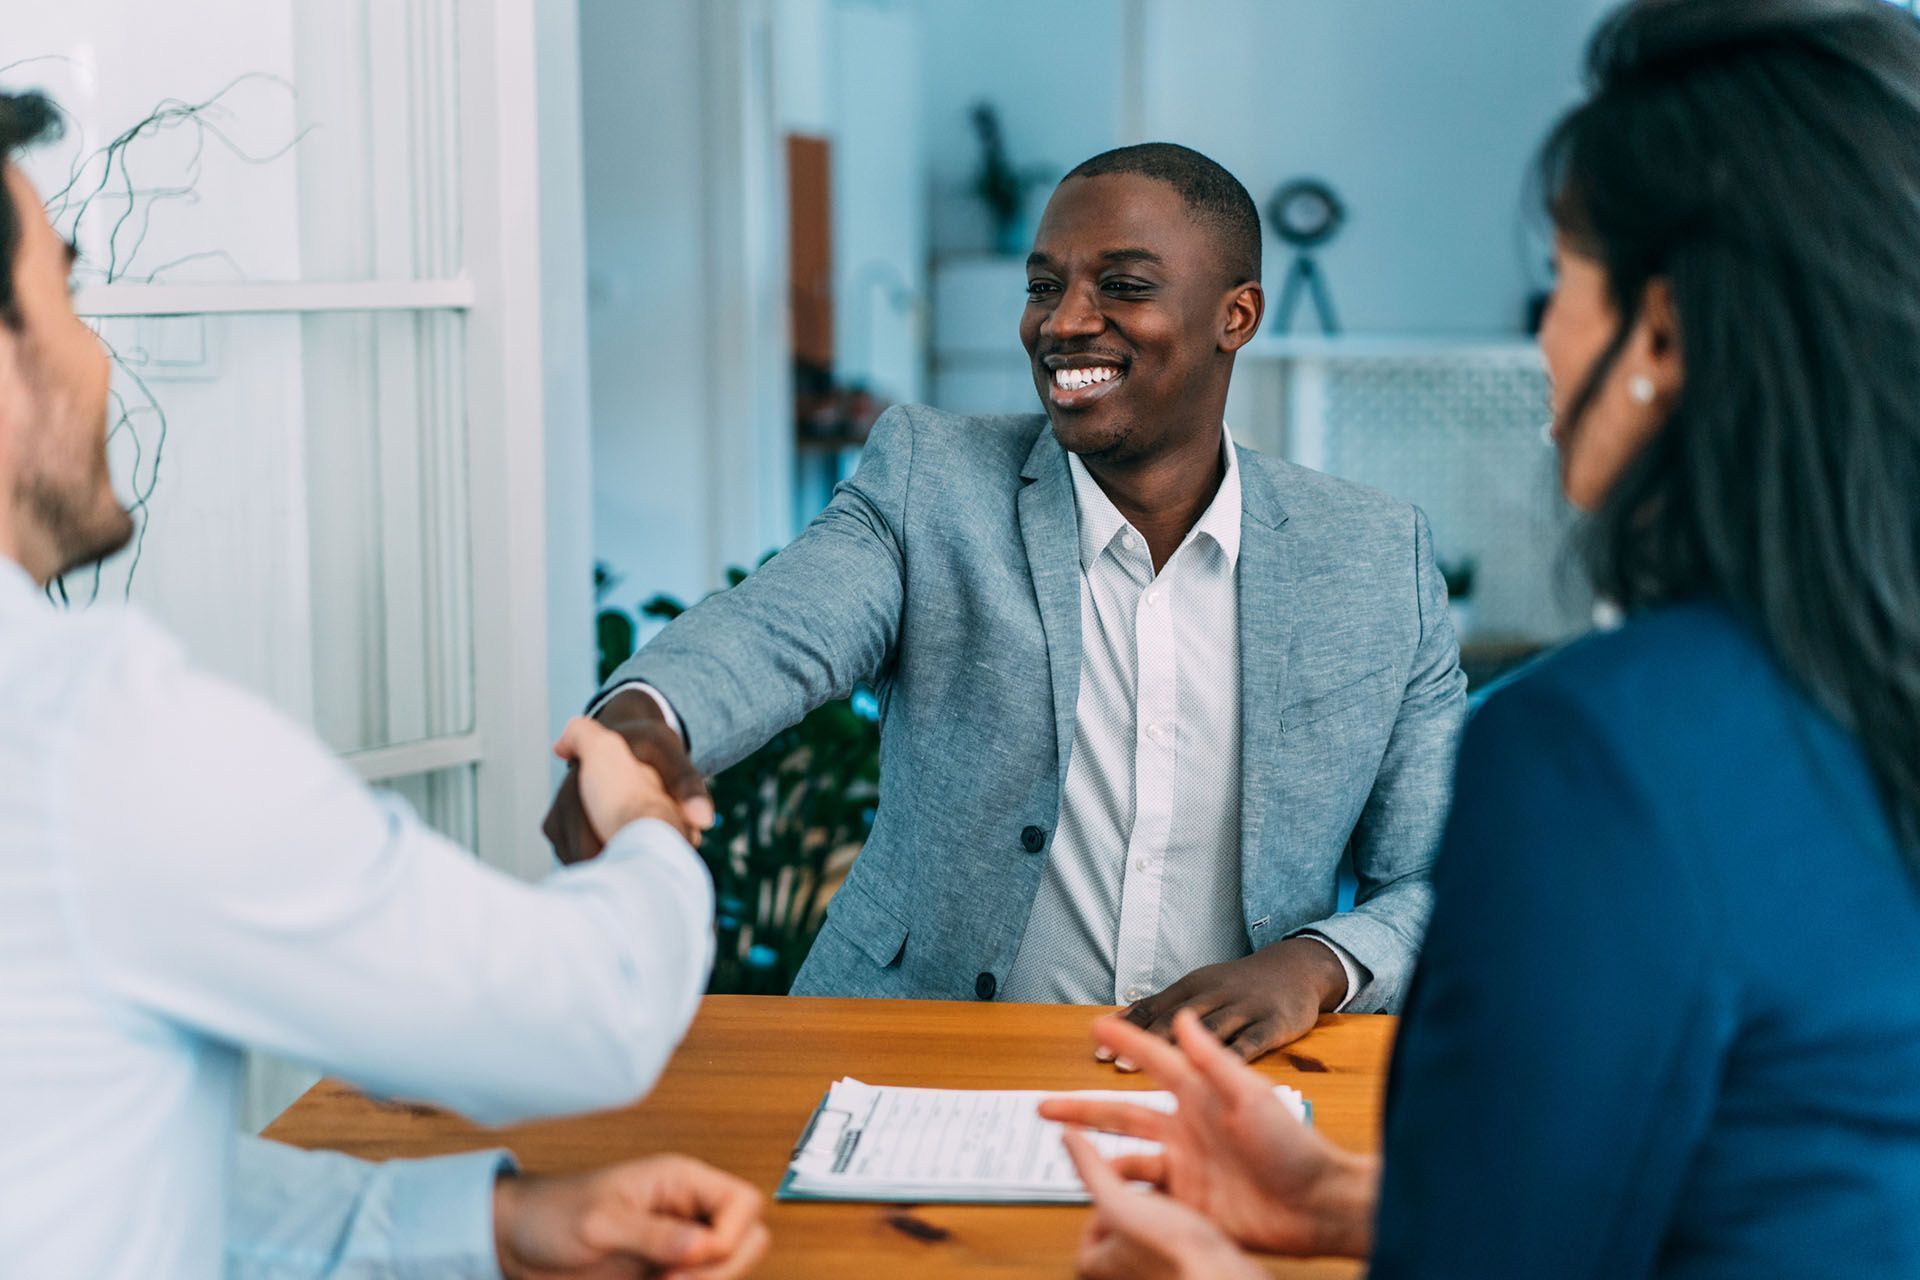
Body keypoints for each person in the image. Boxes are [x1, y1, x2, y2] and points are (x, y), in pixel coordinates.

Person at [1043, 0, 1920, 1275]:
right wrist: (1350, 1203)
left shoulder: (1597, 752)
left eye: (1565, 275)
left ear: (1663, 335)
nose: (1545, 335)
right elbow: (1771, 1165)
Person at [0, 93, 767, 1280]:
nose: (98, 356)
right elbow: (582, 1015)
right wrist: (651, 834)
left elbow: (68, 1150)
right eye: (70, 298)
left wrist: (492, 1225)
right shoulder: (86, 737)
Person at [549, 143, 1466, 1064]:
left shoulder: (1376, 557)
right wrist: (644, 719)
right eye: (1043, 287)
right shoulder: (931, 482)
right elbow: (775, 629)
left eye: (1122, 286)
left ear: (1236, 315)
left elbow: (1440, 879)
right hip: (916, 1064)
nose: (1064, 323)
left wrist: (1312, 965)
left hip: (1223, 1093)